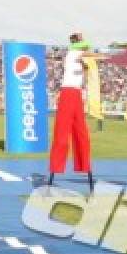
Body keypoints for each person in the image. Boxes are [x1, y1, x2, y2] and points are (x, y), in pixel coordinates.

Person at [47, 32, 103, 190]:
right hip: (68, 94)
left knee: (82, 133)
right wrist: (107, 56)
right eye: (81, 38)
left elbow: (86, 67)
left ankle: (84, 164)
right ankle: (55, 167)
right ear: (77, 42)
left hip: (76, 94)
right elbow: (88, 50)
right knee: (62, 135)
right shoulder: (73, 53)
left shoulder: (79, 58)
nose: (84, 40)